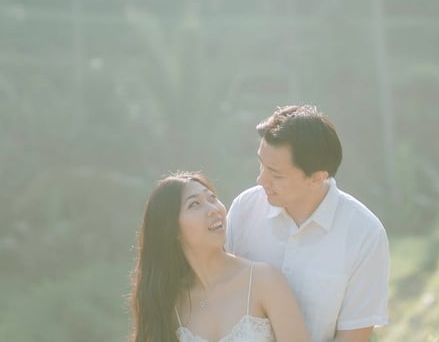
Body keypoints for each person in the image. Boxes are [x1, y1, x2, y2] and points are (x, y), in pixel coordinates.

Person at [226, 105, 390, 342]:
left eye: (276, 174)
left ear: (317, 177)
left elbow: (353, 336)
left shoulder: (365, 235)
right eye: (261, 164)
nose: (261, 179)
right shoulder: (244, 209)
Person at [129, 171, 310, 342]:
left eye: (212, 198)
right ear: (172, 229)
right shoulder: (169, 304)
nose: (213, 209)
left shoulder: (264, 281)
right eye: (194, 204)